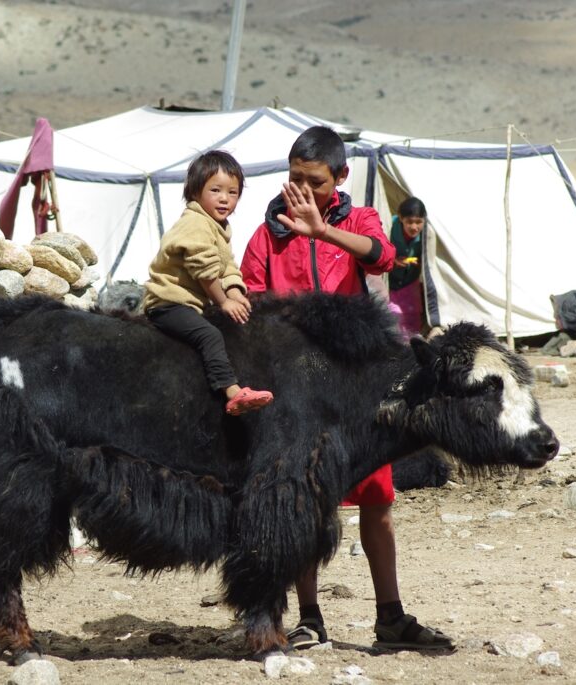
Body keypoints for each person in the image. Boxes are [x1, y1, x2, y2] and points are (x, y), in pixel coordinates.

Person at [240, 126, 453, 651]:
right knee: (308, 503)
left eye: (314, 181)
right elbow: (251, 301)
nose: (303, 190)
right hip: (298, 392)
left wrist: (321, 232)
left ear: (340, 177)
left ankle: (391, 616)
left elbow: (380, 257)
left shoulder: (356, 220)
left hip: (356, 389)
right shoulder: (268, 233)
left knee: (378, 501)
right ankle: (310, 617)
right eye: (294, 179)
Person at [143, 150, 274, 416]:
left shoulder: (218, 226)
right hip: (169, 304)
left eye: (233, 192)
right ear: (194, 192)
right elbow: (204, 269)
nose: (225, 199)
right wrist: (223, 301)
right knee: (209, 335)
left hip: (192, 304)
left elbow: (226, 265)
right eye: (216, 190)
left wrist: (236, 292)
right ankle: (231, 391)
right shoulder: (195, 223)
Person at [388, 196, 427, 338]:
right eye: (409, 222)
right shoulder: (389, 226)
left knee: (412, 318)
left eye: (418, 222)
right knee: (392, 317)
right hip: (391, 282)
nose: (414, 227)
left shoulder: (427, 234)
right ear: (400, 218)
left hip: (410, 282)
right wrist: (393, 261)